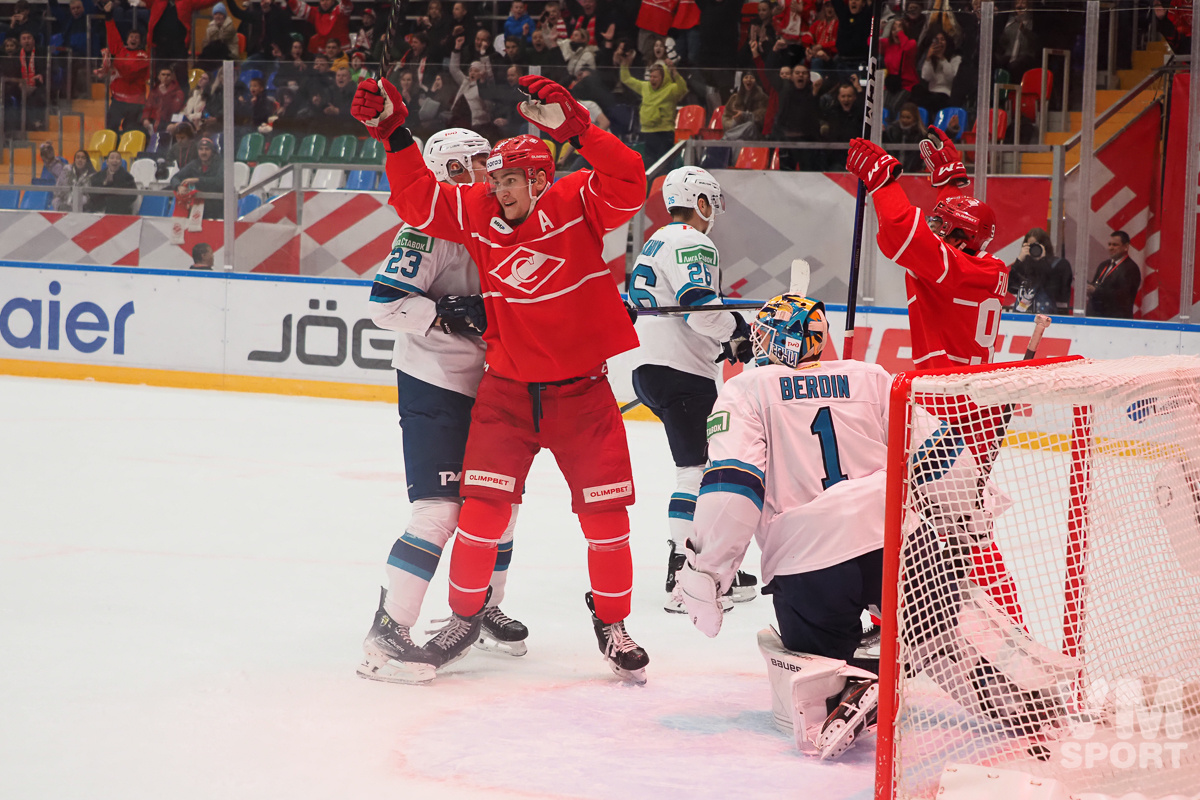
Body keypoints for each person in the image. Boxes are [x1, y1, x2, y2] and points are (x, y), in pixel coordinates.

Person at [351, 72, 650, 682]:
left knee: (607, 521)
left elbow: (630, 183)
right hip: (505, 394)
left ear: (540, 179)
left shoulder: (577, 202)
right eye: (492, 178)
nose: (495, 188)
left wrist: (581, 131)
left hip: (581, 396)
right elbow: (418, 203)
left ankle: (613, 623)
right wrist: (391, 132)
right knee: (479, 512)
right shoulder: (478, 210)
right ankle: (464, 617)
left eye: (506, 178)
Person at [679, 293, 889, 760]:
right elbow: (941, 455)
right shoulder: (873, 377)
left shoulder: (748, 388)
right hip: (895, 538)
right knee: (943, 632)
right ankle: (1029, 695)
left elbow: (733, 488)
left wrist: (708, 572)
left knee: (809, 667)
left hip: (811, 553)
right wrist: (959, 527)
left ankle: (853, 684)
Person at [358, 129, 531, 684]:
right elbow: (384, 306)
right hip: (435, 382)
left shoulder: (498, 226)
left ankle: (482, 606)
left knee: (497, 504)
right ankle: (390, 623)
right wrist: (446, 314)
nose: (489, 174)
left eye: (491, 164)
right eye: (477, 164)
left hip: (496, 384)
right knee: (438, 510)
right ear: (449, 171)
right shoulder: (425, 230)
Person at [846, 127, 1027, 633]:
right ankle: (902, 614)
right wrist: (954, 183)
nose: (936, 228)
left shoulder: (950, 268)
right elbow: (944, 235)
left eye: (944, 224)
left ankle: (1008, 628)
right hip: (971, 408)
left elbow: (904, 237)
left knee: (956, 529)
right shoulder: (980, 265)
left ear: (958, 238)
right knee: (942, 526)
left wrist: (885, 182)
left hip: (950, 413)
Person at [627, 166, 758, 613]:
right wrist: (736, 331)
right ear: (701, 202)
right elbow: (699, 309)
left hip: (652, 368)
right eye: (711, 205)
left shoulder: (656, 240)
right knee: (696, 470)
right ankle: (683, 575)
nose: (712, 215)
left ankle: (707, 565)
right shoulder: (692, 241)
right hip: (682, 372)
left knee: (699, 465)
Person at [617, 48, 687, 166]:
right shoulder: (645, 87)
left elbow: (683, 88)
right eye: (651, 76)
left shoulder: (671, 89)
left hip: (664, 132)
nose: (652, 80)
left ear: (663, 78)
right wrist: (624, 64)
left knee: (664, 163)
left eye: (655, 77)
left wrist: (674, 71)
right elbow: (627, 79)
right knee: (650, 163)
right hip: (648, 131)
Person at [99, 3, 151, 135]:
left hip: (136, 103)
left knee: (131, 132)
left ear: (140, 41)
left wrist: (114, 65)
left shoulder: (143, 56)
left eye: (136, 37)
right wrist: (108, 16)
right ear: (127, 39)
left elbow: (130, 72)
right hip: (118, 100)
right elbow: (112, 33)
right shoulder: (120, 51)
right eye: (131, 37)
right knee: (110, 130)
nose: (133, 39)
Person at [1006, 227, 1072, 315]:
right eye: (1030, 246)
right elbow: (1010, 287)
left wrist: (1043, 260)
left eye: (1036, 246)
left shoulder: (1060, 264)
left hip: (1050, 319)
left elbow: (1059, 292)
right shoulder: (1024, 266)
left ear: (1045, 246)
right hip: (1023, 318)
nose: (1034, 249)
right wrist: (1019, 260)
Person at [1086, 230, 1141, 319]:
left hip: (1116, 320)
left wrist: (1096, 291)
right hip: (1096, 317)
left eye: (1115, 245)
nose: (1110, 248)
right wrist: (1088, 289)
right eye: (1109, 244)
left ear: (1126, 247)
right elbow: (1096, 286)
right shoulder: (1104, 265)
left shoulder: (1131, 268)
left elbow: (1122, 296)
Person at [168, 136, 224, 218]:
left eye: (207, 149)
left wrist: (197, 180)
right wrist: (179, 186)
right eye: (201, 149)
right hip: (197, 207)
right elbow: (175, 178)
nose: (203, 152)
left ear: (212, 151)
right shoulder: (194, 164)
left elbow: (219, 182)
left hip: (216, 207)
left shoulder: (220, 164)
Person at [881, 101, 925, 173]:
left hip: (913, 171)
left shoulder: (921, 134)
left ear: (915, 118)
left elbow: (917, 157)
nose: (904, 120)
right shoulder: (891, 130)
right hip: (892, 170)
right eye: (902, 117)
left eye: (908, 117)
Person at [144, 66, 187, 135]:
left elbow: (174, 109)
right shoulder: (154, 91)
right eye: (163, 74)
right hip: (155, 120)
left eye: (168, 75)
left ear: (172, 77)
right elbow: (148, 105)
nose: (165, 77)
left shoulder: (178, 92)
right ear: (159, 77)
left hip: (170, 120)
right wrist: (145, 118)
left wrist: (165, 94)